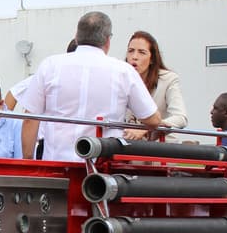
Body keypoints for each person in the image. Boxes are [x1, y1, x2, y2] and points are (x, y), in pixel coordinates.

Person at [18, 11, 161, 161]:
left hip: (56, 166)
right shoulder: (123, 71)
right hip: (102, 170)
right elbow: (153, 119)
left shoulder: (50, 65)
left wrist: (28, 159)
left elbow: (30, 119)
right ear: (108, 40)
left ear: (77, 37)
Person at [125, 30, 188, 129]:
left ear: (152, 59)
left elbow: (180, 118)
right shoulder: (121, 78)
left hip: (160, 143)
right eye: (131, 51)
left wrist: (149, 128)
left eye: (142, 52)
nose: (134, 57)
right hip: (129, 142)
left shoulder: (168, 79)